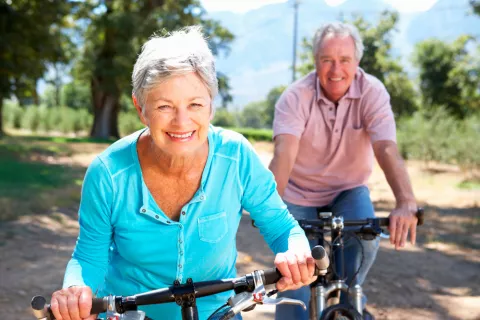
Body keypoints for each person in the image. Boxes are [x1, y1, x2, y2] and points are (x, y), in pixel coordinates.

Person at [49, 26, 316, 320]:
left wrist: (295, 251)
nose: (182, 121)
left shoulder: (236, 156)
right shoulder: (108, 173)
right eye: (165, 106)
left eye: (195, 104)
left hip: (217, 312)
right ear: (141, 108)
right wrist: (76, 289)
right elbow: (89, 255)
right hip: (131, 314)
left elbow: (281, 227)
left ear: (211, 106)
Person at [270, 22, 419, 320]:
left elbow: (386, 148)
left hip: (348, 190)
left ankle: (348, 297)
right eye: (327, 60)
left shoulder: (372, 92)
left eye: (344, 60)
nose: (335, 69)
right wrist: (270, 209)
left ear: (357, 62)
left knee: (366, 239)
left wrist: (405, 202)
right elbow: (284, 155)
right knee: (295, 279)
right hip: (299, 191)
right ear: (315, 62)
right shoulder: (295, 97)